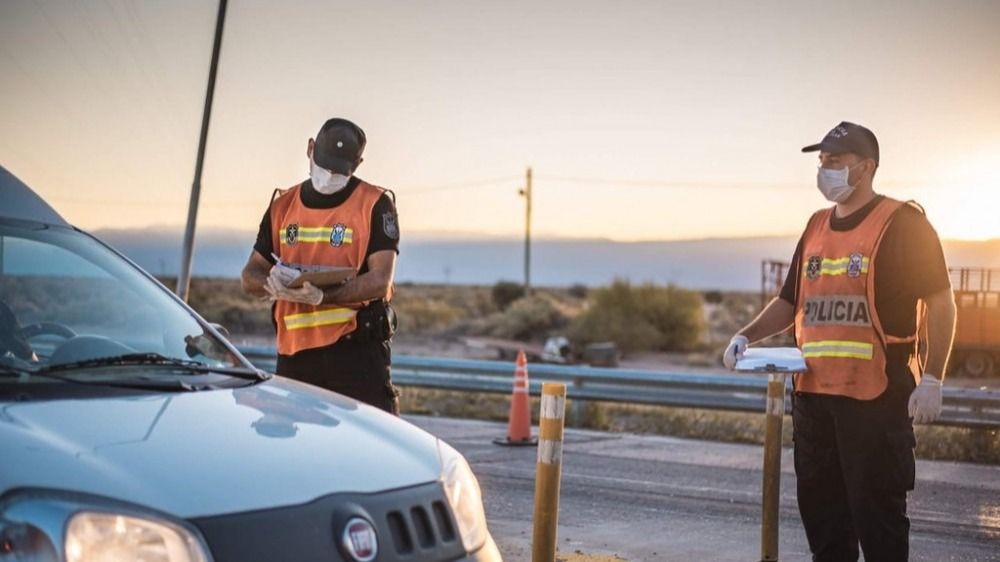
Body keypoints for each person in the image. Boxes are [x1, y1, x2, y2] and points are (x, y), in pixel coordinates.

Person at [722, 122, 957, 561]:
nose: (825, 169)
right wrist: (745, 336)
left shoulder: (904, 224)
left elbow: (942, 303)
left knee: (879, 522)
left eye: (836, 161)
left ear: (865, 167)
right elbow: (790, 300)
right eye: (822, 162)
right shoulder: (815, 227)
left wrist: (933, 379)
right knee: (825, 525)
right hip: (813, 400)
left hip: (876, 399)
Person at [241, 118, 401, 414]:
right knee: (298, 456)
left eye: (339, 171)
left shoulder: (375, 204)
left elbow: (380, 280)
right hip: (295, 359)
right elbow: (250, 273)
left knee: (369, 451)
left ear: (358, 163)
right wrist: (271, 284)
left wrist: (323, 297)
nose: (328, 176)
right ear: (310, 148)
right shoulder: (282, 205)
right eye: (323, 165)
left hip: (356, 354)